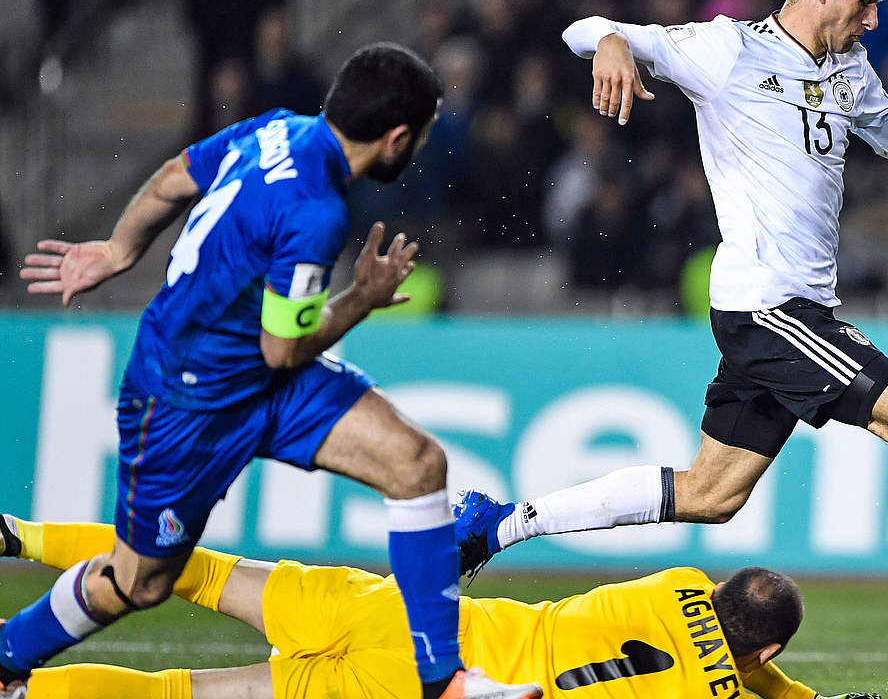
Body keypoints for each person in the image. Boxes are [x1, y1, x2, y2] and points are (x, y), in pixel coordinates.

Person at [453, 0, 888, 694]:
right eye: (867, 0)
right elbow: (583, 28)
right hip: (768, 307)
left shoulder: (849, 68)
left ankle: (500, 523)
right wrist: (615, 43)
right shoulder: (726, 51)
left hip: (787, 309)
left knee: (709, 495)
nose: (876, 18)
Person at [11, 43, 537, 699]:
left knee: (417, 465)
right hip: (184, 403)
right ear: (398, 136)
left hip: (255, 379)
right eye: (423, 133)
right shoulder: (317, 210)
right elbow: (282, 350)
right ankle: (9, 654)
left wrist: (121, 248)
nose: (422, 145)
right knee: (138, 582)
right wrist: (362, 299)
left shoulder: (276, 128)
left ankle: (444, 681)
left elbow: (176, 173)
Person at [0, 516, 888, 699]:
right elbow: (751, 682)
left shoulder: (680, 587)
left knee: (195, 569)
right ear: (769, 649)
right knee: (183, 694)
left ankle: (20, 534)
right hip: (422, 686)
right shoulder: (719, 695)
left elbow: (741, 651)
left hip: (395, 610)